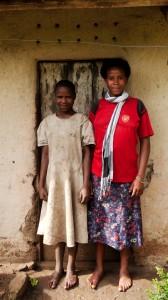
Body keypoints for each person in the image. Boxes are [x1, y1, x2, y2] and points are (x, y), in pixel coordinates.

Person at [88, 58, 154, 292]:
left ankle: (124, 270)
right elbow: (89, 144)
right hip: (100, 177)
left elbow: (145, 143)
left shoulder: (136, 106)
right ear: (105, 80)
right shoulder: (97, 107)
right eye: (111, 78)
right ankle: (99, 267)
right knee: (99, 224)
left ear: (126, 79)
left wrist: (140, 177)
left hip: (128, 179)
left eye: (120, 77)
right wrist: (86, 180)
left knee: (125, 225)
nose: (116, 82)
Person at [37, 80, 95, 290]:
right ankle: (57, 267)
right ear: (54, 98)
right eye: (60, 97)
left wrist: (86, 183)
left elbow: (88, 153)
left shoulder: (82, 121)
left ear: (74, 97)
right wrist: (41, 182)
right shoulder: (47, 123)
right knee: (57, 222)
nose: (64, 100)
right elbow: (45, 155)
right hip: (54, 181)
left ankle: (71, 267)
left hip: (75, 179)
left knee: (73, 222)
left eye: (68, 97)